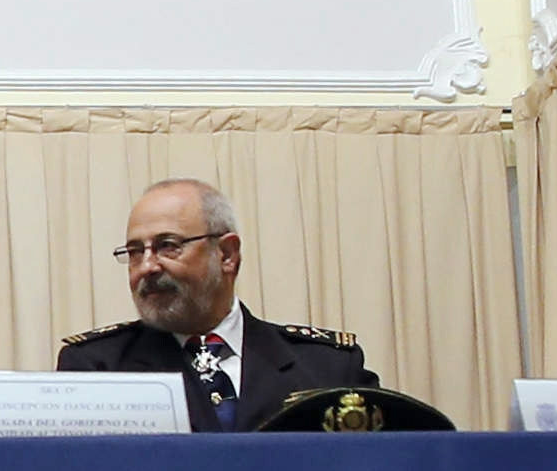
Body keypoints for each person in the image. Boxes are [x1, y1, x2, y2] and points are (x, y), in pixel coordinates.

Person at [54, 179, 373, 429]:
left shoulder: (327, 366)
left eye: (167, 246)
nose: (147, 266)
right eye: (135, 251)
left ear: (227, 255)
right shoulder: (97, 368)